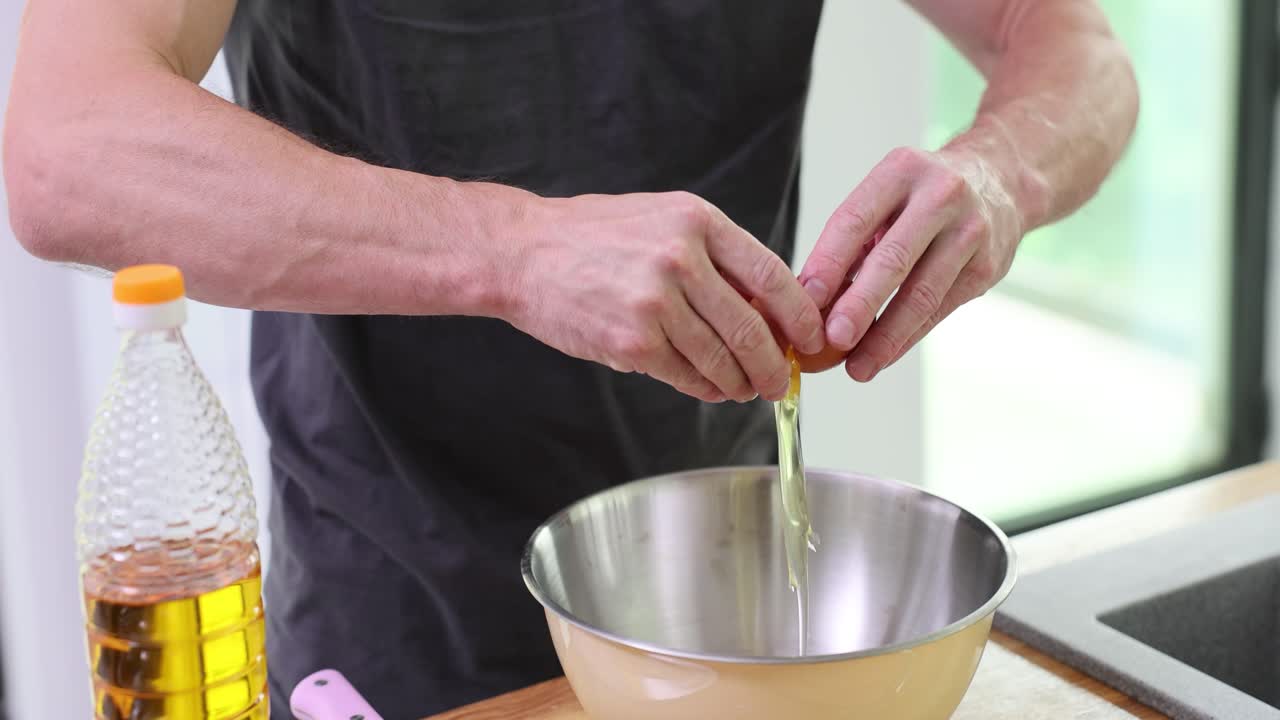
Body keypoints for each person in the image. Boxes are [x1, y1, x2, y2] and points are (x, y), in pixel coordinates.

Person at [4, 0, 1137, 716]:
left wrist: (1001, 173)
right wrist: (514, 249)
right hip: (394, 631)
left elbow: (1072, 46)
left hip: (737, 614)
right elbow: (67, 153)